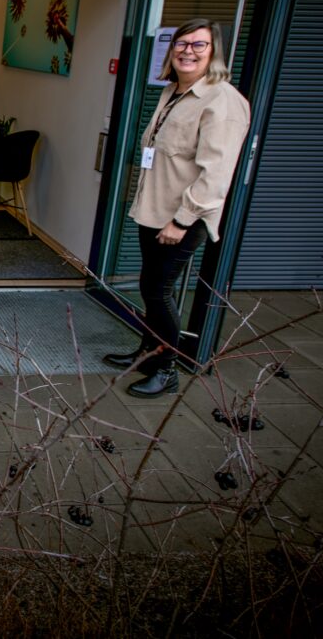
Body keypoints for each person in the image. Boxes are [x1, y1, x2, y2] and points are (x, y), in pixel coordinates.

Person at [103, 19, 251, 397]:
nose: (187, 51)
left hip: (182, 217)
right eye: (181, 44)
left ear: (214, 52)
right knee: (150, 287)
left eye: (199, 45)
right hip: (155, 209)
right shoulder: (173, 91)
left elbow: (215, 175)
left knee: (159, 290)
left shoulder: (223, 101)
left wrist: (182, 220)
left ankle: (167, 369)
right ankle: (149, 353)